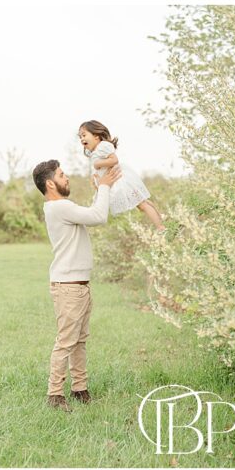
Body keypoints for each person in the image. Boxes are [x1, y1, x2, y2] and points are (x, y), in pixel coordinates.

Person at [32, 159, 121, 412]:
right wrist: (104, 186)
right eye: (62, 174)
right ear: (51, 183)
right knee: (66, 342)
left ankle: (80, 389)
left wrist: (99, 189)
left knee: (79, 341)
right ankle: (55, 394)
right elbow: (98, 216)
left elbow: (91, 212)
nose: (66, 177)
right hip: (69, 286)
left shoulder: (62, 207)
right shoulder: (58, 207)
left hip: (79, 285)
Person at [79, 120, 164, 230]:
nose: (81, 139)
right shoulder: (95, 151)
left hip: (120, 181)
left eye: (84, 135)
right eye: (80, 137)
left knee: (142, 204)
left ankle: (160, 226)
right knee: (142, 202)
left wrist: (97, 164)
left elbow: (114, 160)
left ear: (96, 136)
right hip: (110, 183)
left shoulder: (103, 146)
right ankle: (161, 217)